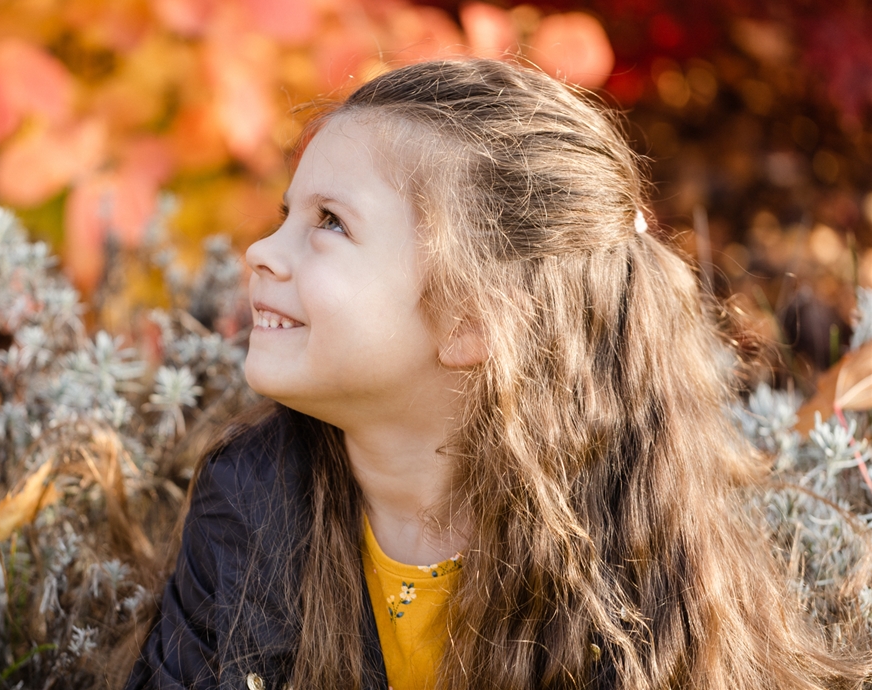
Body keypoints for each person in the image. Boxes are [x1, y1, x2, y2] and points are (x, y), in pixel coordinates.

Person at [124, 59, 871, 690]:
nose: (260, 249)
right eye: (287, 213)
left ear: (473, 322)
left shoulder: (617, 544)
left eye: (329, 223)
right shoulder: (248, 504)